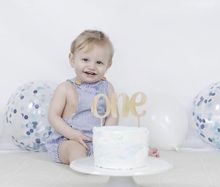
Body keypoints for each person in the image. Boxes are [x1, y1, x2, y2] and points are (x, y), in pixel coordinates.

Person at [46, 30, 159, 164]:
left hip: (100, 140)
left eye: (99, 62)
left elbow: (113, 115)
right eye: (85, 59)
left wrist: (105, 136)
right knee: (75, 150)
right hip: (69, 139)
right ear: (72, 60)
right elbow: (53, 116)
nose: (92, 66)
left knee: (121, 142)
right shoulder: (66, 88)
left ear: (108, 65)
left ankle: (138, 152)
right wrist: (71, 134)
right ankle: (82, 163)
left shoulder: (107, 87)